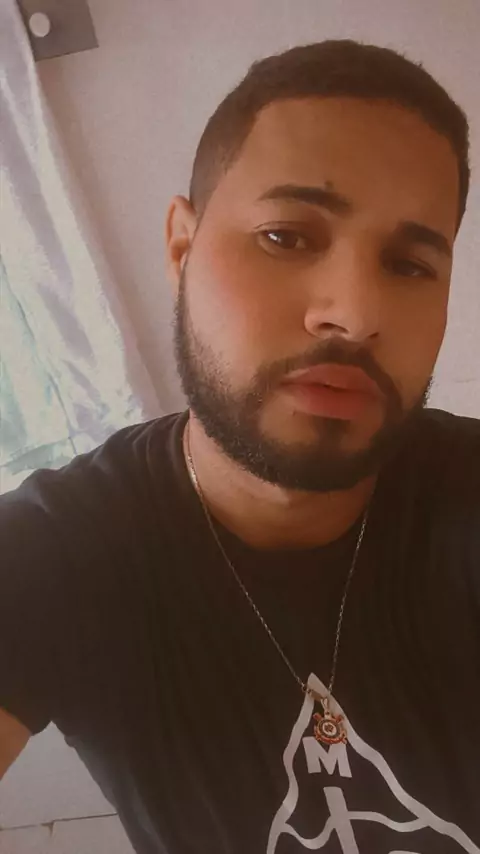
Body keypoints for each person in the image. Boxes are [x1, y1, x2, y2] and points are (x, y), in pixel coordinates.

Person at [0, 38, 479, 854]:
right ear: (181, 248)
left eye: (408, 264)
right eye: (286, 236)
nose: (353, 314)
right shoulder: (58, 551)